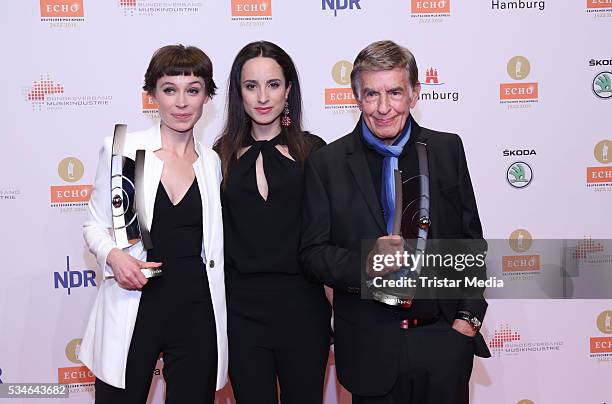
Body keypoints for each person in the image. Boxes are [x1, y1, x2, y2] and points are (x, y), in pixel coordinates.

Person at [299, 40, 491, 404]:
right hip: (370, 351)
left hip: (443, 343)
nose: (383, 107)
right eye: (371, 94)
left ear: (415, 93)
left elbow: (471, 243)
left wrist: (465, 322)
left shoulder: (447, 149)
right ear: (356, 96)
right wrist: (366, 262)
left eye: (395, 92)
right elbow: (312, 254)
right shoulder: (327, 162)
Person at [79, 44, 228, 404]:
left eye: (193, 90)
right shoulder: (123, 151)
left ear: (206, 97)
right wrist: (114, 256)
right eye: (169, 90)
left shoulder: (211, 162)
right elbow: (93, 227)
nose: (181, 102)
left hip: (196, 310)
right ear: (152, 95)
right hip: (136, 303)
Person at [214, 40, 331, 404]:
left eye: (273, 84)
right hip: (241, 312)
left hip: (304, 308)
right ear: (239, 93)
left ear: (289, 89)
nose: (263, 97)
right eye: (251, 86)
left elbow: (331, 238)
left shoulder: (315, 152)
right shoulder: (219, 155)